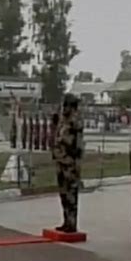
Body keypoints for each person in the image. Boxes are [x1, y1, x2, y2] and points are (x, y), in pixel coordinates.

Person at [52, 94, 84, 233]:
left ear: (72, 107)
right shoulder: (63, 120)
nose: (63, 108)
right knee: (63, 193)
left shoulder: (75, 121)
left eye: (66, 105)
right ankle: (66, 221)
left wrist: (74, 161)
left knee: (71, 194)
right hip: (61, 161)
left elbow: (76, 144)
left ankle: (72, 223)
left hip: (70, 163)